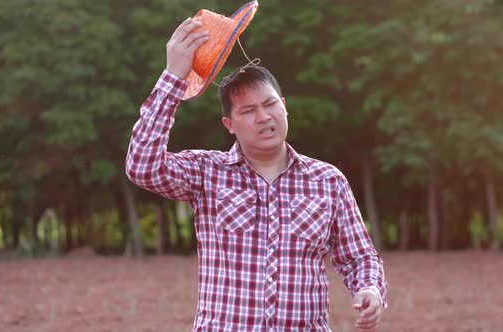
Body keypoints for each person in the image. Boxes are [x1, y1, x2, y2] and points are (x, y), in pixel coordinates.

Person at [125, 17, 388, 332]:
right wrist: (173, 77)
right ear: (230, 125)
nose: (264, 117)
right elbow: (142, 166)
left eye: (270, 104)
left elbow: (359, 256)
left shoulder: (327, 181)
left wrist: (370, 288)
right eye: (248, 111)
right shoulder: (207, 173)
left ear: (285, 107)